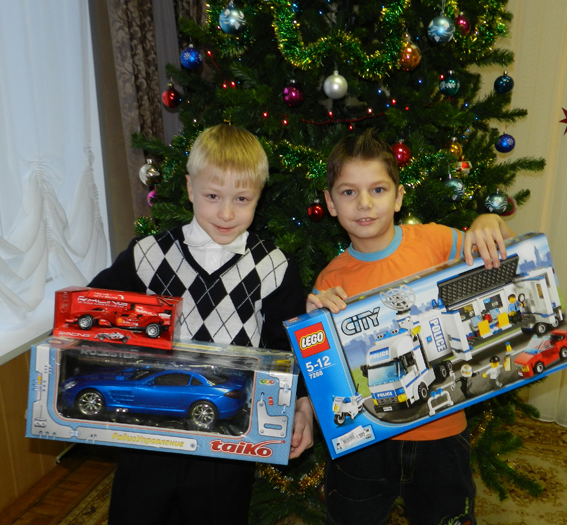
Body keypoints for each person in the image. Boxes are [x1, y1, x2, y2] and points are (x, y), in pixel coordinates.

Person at [88, 124, 313, 525]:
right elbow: (94, 313)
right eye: (212, 196)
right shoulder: (147, 255)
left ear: (258, 196)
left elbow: (288, 349)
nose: (226, 213)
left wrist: (301, 405)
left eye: (242, 199)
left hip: (226, 440)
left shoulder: (273, 267)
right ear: (191, 189)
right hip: (150, 431)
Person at [306, 129, 515, 525]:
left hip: (442, 437)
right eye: (349, 192)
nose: (364, 203)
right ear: (331, 203)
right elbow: (323, 370)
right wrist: (314, 321)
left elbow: (507, 258)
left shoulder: (436, 241)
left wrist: (490, 222)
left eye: (378, 190)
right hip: (364, 447)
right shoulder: (330, 281)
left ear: (399, 197)